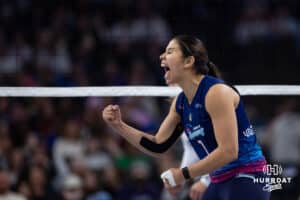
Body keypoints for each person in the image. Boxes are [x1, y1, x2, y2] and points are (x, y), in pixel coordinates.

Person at [102, 35, 269, 200]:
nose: (161, 56)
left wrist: (182, 175)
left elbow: (228, 151)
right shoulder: (180, 104)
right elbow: (157, 145)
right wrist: (119, 125)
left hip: (247, 175)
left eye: (170, 51)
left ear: (188, 62)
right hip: (217, 180)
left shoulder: (217, 92)